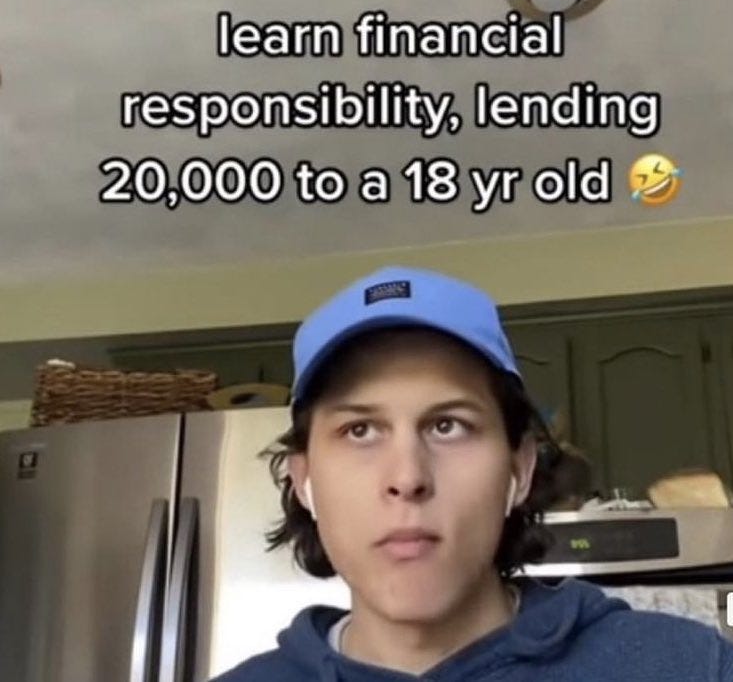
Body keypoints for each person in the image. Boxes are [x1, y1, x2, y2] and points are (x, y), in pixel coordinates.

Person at [213, 266, 733, 681]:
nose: (407, 477)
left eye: (448, 425)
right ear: (304, 481)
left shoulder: (692, 667)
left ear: (519, 469)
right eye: (360, 430)